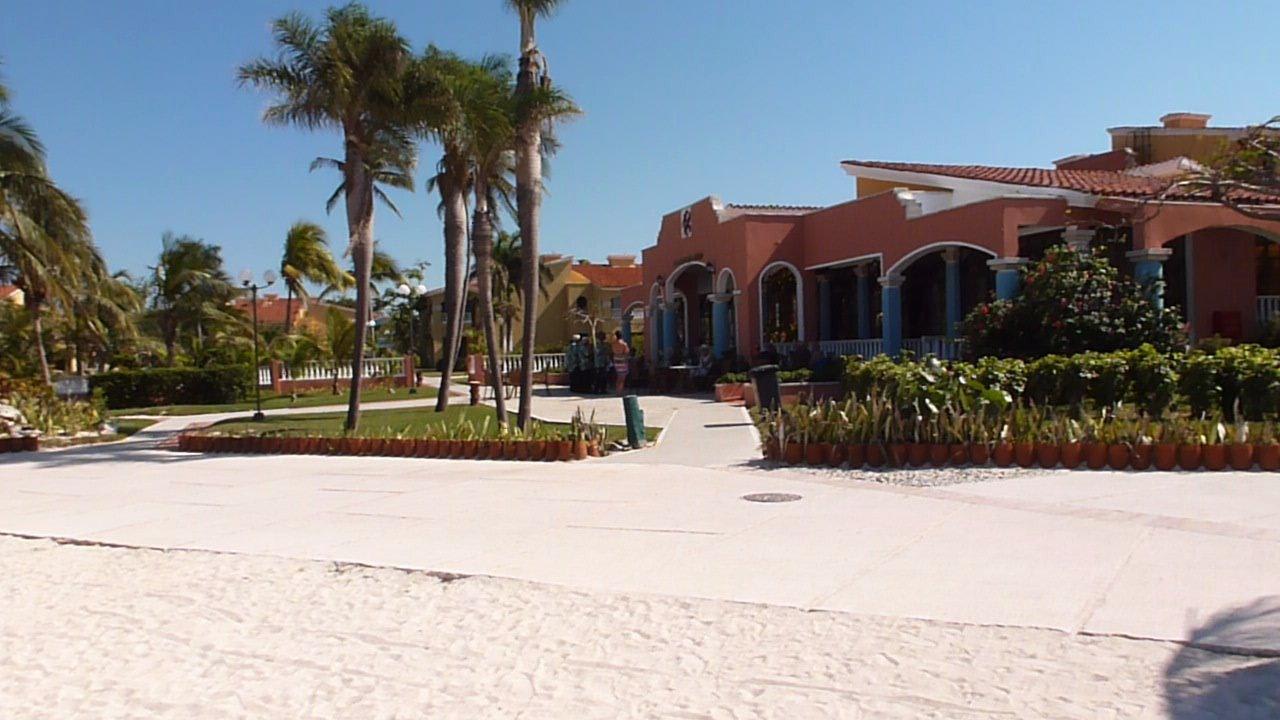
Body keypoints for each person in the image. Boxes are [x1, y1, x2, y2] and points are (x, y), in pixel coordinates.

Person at [610, 330, 630, 394]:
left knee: (618, 376)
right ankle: (620, 391)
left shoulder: (613, 344)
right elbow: (627, 352)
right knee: (622, 377)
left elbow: (612, 351)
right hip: (622, 360)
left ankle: (617, 390)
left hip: (616, 360)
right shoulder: (624, 344)